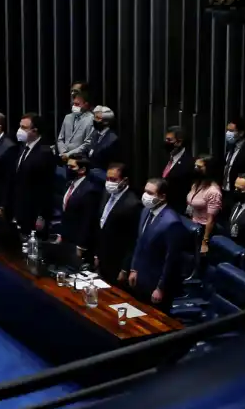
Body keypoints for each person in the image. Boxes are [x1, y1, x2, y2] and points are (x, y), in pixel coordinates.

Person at [126, 178, 190, 309]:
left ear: (162, 196)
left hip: (156, 283)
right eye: (145, 191)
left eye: (150, 193)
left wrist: (161, 288)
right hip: (141, 276)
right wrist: (134, 268)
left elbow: (171, 259)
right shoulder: (145, 211)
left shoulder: (172, 223)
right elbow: (140, 242)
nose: (145, 196)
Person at [5, 113, 58, 232]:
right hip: (19, 208)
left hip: (33, 212)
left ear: (35, 131)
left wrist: (42, 216)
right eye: (20, 126)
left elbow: (46, 188)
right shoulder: (23, 148)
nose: (19, 131)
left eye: (24, 128)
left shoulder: (44, 153)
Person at [52, 153, 104, 259]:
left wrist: (81, 246)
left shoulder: (90, 190)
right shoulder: (70, 183)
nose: (68, 169)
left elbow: (88, 220)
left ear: (82, 169)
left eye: (71, 167)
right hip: (67, 237)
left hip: (78, 242)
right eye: (67, 166)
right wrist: (61, 234)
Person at [185, 155, 224, 272]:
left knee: (201, 263)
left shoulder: (213, 192)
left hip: (205, 229)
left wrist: (205, 241)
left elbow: (211, 219)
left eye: (199, 167)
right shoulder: (196, 184)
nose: (196, 168)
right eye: (195, 166)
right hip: (193, 225)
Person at [56, 85, 96, 162]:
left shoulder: (91, 119)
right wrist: (63, 153)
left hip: (80, 160)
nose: (74, 106)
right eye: (73, 104)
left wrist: (69, 154)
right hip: (64, 158)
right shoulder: (68, 117)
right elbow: (60, 139)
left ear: (86, 104)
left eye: (77, 104)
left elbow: (88, 143)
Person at [88, 107, 122, 181]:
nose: (94, 120)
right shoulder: (95, 134)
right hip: (91, 174)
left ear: (106, 122)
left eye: (97, 118)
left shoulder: (113, 139)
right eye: (94, 117)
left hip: (102, 177)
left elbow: (113, 165)